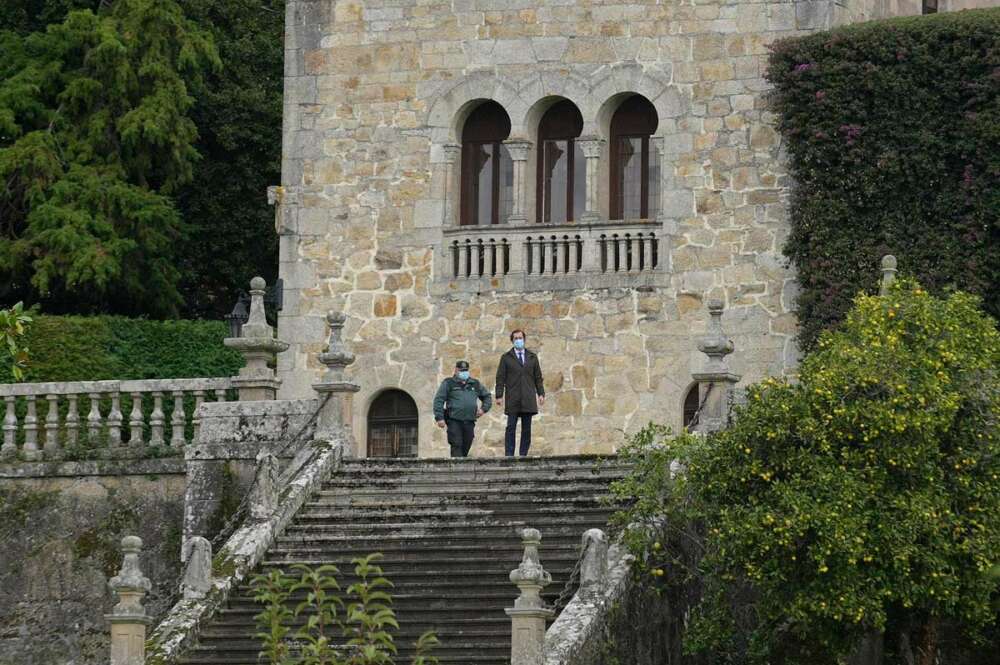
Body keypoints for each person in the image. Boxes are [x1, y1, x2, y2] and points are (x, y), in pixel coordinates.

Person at [495, 329, 545, 457]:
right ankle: (509, 454)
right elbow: (500, 378)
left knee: (526, 429)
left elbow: (538, 377)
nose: (518, 340)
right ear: (512, 341)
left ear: (524, 339)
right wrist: (499, 395)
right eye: (516, 338)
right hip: (513, 397)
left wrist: (541, 394)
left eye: (520, 338)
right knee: (511, 427)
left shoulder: (532, 357)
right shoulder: (506, 358)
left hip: (528, 397)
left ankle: (523, 454)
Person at [433, 360, 492, 458]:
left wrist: (483, 409)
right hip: (454, 420)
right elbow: (439, 400)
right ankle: (456, 469)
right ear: (456, 370)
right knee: (456, 444)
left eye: (465, 370)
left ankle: (461, 467)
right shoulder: (448, 383)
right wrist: (439, 418)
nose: (464, 372)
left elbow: (487, 396)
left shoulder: (475, 383)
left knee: (467, 444)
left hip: (469, 421)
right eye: (461, 370)